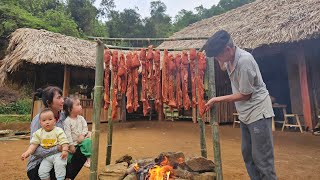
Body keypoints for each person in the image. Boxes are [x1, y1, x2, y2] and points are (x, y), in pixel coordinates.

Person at [204, 30, 277, 180]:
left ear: (228, 49)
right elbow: (224, 67)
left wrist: (217, 99)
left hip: (258, 113)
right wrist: (212, 51)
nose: (218, 59)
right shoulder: (230, 58)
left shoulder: (244, 61)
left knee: (262, 159)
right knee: (248, 155)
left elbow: (246, 94)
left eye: (219, 55)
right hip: (246, 114)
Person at [27, 86, 87, 180]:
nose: (63, 100)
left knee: (83, 148)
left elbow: (75, 132)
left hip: (59, 159)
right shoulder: (38, 120)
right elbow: (35, 151)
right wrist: (57, 149)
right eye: (59, 98)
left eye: (62, 97)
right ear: (49, 102)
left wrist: (86, 134)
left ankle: (68, 177)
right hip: (38, 165)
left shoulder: (64, 116)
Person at [22, 109, 69, 180]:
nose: (47, 122)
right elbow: (33, 145)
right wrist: (27, 152)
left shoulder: (58, 130)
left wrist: (65, 150)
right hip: (47, 157)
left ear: (54, 121)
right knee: (42, 172)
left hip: (58, 155)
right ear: (40, 123)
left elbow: (64, 141)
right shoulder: (38, 133)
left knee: (60, 167)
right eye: (44, 120)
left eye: (50, 119)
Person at [63, 97, 92, 168]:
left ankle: (88, 159)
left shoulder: (81, 118)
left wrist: (83, 135)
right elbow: (68, 134)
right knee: (69, 158)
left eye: (80, 104)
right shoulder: (67, 121)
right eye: (78, 105)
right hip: (73, 144)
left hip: (82, 141)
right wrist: (71, 145)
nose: (81, 106)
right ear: (70, 109)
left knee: (88, 141)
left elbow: (85, 127)